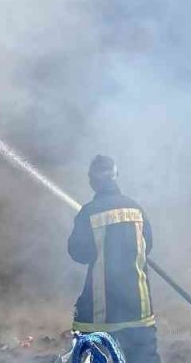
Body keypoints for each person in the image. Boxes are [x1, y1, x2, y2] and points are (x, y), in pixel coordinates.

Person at [68, 155, 161, 363]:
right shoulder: (136, 209)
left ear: (92, 181)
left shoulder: (88, 213)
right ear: (116, 177)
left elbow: (78, 253)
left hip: (101, 318)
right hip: (139, 312)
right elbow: (149, 247)